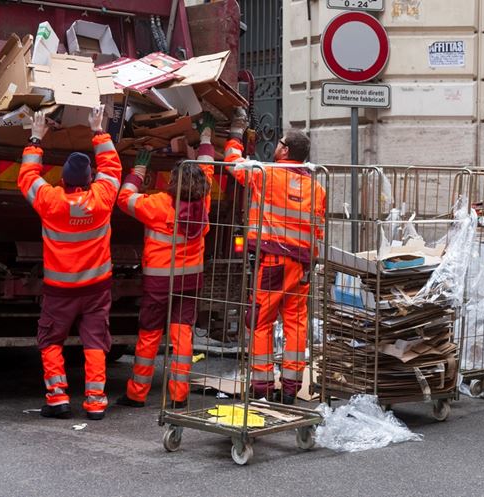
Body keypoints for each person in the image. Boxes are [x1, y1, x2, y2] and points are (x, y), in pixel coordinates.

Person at [18, 106, 122, 420]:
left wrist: (36, 137)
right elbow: (113, 168)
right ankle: (95, 402)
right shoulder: (102, 199)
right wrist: (98, 129)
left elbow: (27, 178)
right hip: (96, 289)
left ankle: (58, 399)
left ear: (62, 179)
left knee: (51, 340)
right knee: (95, 341)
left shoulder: (52, 201)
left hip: (60, 291)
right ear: (91, 179)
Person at [224, 109, 326, 404]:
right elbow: (317, 230)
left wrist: (234, 135)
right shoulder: (316, 188)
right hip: (303, 265)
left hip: (273, 262)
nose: (277, 145)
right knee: (295, 322)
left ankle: (261, 385)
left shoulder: (267, 175)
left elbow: (233, 164)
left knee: (260, 320)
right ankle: (292, 387)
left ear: (285, 150)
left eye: (280, 142)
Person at [115, 115, 215, 409]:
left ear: (174, 182)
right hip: (190, 279)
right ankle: (179, 396)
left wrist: (139, 170)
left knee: (149, 335)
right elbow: (208, 169)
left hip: (159, 281)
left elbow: (124, 199)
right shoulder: (204, 202)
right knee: (182, 334)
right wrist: (206, 139)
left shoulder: (158, 204)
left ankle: (137, 393)